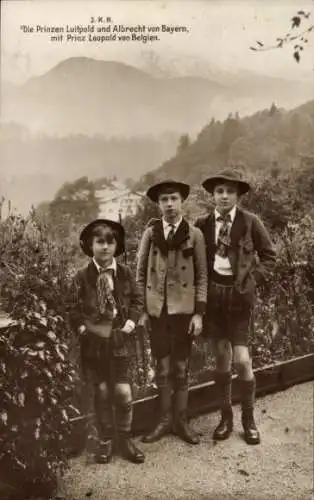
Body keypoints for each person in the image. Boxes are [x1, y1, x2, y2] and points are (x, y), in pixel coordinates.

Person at [195, 169, 276, 445]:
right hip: (213, 297)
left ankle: (248, 419)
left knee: (241, 360)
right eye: (220, 191)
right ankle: (226, 416)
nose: (224, 196)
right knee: (220, 358)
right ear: (213, 195)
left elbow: (270, 256)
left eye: (230, 191)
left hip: (239, 297)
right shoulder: (203, 224)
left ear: (238, 195)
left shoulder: (251, 222)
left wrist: (252, 280)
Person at [136, 180, 207, 445]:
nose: (169, 204)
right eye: (164, 199)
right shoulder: (151, 234)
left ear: (182, 202)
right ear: (158, 203)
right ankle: (164, 420)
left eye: (173, 199)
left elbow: (202, 276)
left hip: (184, 312)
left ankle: (181, 421)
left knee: (181, 367)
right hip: (158, 312)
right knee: (163, 368)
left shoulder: (194, 234)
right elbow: (140, 274)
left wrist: (198, 313)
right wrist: (142, 310)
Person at [70, 218, 145, 464]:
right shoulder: (82, 276)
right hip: (93, 343)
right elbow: (73, 308)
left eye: (110, 242)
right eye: (99, 242)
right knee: (102, 392)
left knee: (122, 392)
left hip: (119, 338)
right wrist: (83, 329)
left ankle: (125, 439)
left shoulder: (123, 273)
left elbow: (136, 301)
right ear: (90, 245)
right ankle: (105, 440)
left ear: (117, 246)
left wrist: (129, 326)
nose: (104, 247)